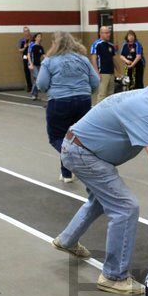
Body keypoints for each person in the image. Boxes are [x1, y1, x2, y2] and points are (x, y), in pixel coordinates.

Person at [52, 62, 148, 295]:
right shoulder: (143, 107)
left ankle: (66, 240)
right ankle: (113, 276)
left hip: (88, 153)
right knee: (126, 207)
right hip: (81, 152)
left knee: (100, 201)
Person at [36, 31, 99, 183]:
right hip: (83, 100)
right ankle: (66, 173)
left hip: (60, 101)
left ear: (54, 44)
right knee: (75, 137)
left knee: (57, 137)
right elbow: (95, 82)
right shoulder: (82, 59)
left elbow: (41, 84)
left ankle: (77, 159)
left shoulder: (49, 61)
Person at [90, 26, 119, 103]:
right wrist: (96, 73)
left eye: (109, 33)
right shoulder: (96, 44)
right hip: (102, 73)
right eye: (106, 33)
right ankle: (99, 113)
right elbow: (93, 59)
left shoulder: (111, 46)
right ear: (100, 34)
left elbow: (113, 59)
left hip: (111, 72)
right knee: (102, 94)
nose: (108, 34)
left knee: (110, 94)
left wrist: (119, 72)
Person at [28, 33, 45, 100]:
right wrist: (30, 64)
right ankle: (33, 93)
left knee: (36, 80)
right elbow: (29, 55)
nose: (39, 38)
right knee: (38, 78)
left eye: (40, 37)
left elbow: (44, 55)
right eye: (38, 36)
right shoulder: (32, 45)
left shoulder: (41, 47)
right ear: (35, 38)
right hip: (33, 64)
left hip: (39, 64)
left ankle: (35, 95)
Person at [17, 26, 33, 92]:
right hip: (25, 57)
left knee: (35, 72)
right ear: (23, 32)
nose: (27, 32)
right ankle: (29, 86)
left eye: (28, 31)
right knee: (27, 72)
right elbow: (20, 50)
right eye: (25, 31)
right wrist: (24, 47)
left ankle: (37, 86)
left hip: (33, 57)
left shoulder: (33, 39)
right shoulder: (21, 40)